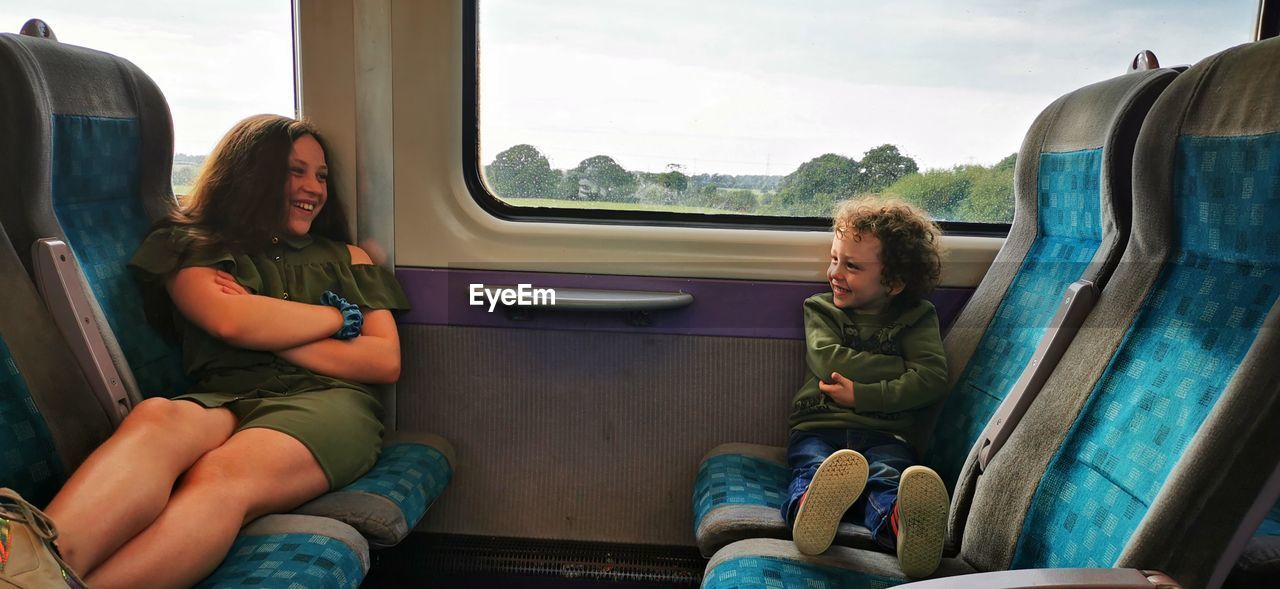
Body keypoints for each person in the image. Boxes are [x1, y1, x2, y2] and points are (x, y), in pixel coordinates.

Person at [12, 114, 408, 589]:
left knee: (221, 474)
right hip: (223, 395)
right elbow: (231, 321)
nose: (313, 187)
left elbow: (383, 361)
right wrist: (340, 320)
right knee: (156, 418)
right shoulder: (188, 245)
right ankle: (29, 571)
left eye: (321, 175)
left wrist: (273, 329)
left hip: (327, 403)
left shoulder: (350, 258)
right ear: (252, 176)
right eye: (295, 171)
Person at [784, 196, 950, 579]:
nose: (835, 273)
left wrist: (862, 394)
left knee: (887, 477)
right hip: (819, 426)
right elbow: (829, 361)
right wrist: (898, 369)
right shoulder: (821, 309)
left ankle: (898, 527)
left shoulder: (917, 317)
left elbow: (932, 379)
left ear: (893, 282)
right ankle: (810, 509)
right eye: (834, 259)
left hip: (886, 432)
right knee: (810, 468)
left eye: (852, 266)